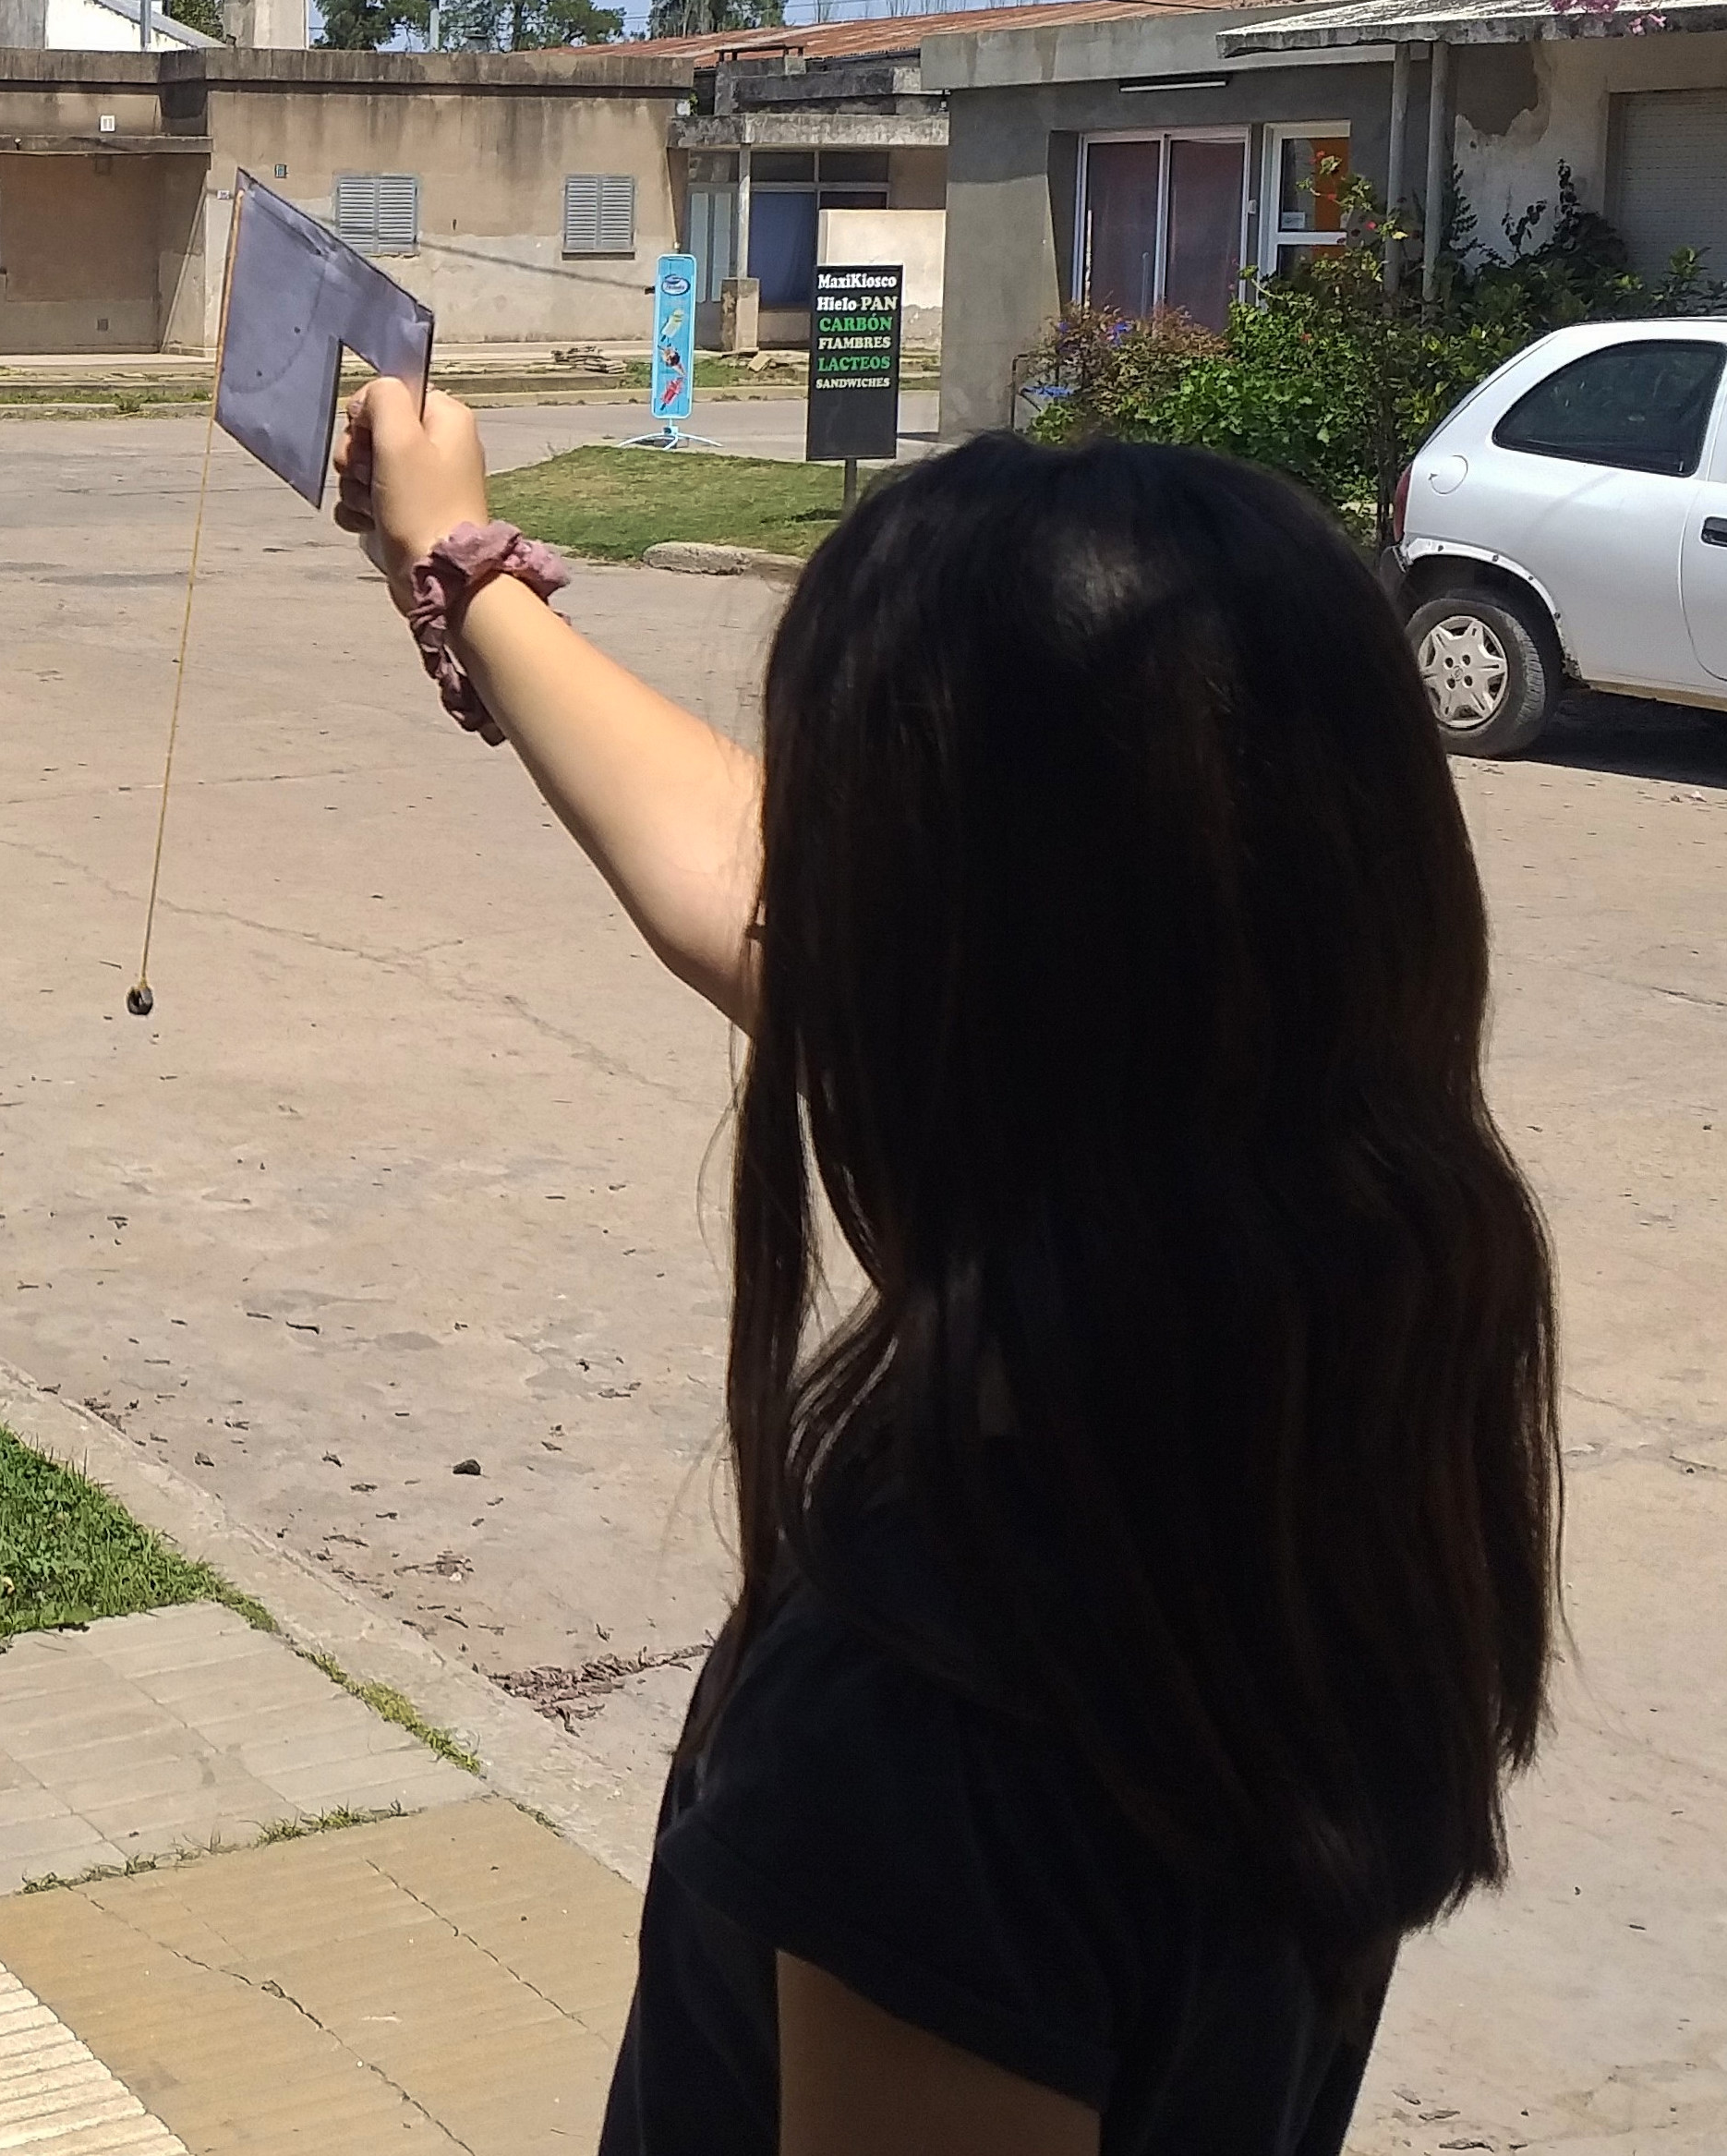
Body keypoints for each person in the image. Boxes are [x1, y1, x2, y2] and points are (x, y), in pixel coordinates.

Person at [336, 382, 1558, 2156]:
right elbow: (764, 883)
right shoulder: (1329, 1407)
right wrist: (465, 563)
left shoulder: (941, 1708)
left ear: (925, 1009)